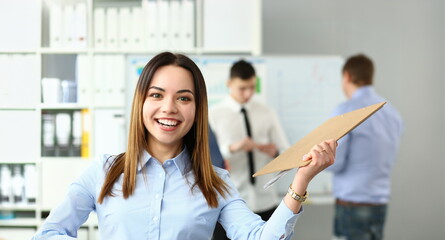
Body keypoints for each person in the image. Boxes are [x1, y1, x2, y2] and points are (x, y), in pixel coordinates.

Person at [32, 52, 336, 240]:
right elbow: (48, 234)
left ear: (197, 108)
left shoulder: (215, 183)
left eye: (184, 98)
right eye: (157, 95)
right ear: (141, 103)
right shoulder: (104, 172)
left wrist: (301, 181)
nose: (169, 108)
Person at [209, 60, 290, 239]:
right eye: (242, 88)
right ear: (229, 84)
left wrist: (275, 153)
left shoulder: (267, 113)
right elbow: (207, 159)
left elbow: (286, 152)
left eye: (252, 87)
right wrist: (231, 149)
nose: (248, 94)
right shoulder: (213, 115)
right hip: (229, 203)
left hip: (266, 201)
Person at [327, 54, 403, 240]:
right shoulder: (391, 112)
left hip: (352, 205)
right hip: (379, 202)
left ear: (347, 76)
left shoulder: (347, 111)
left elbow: (334, 161)